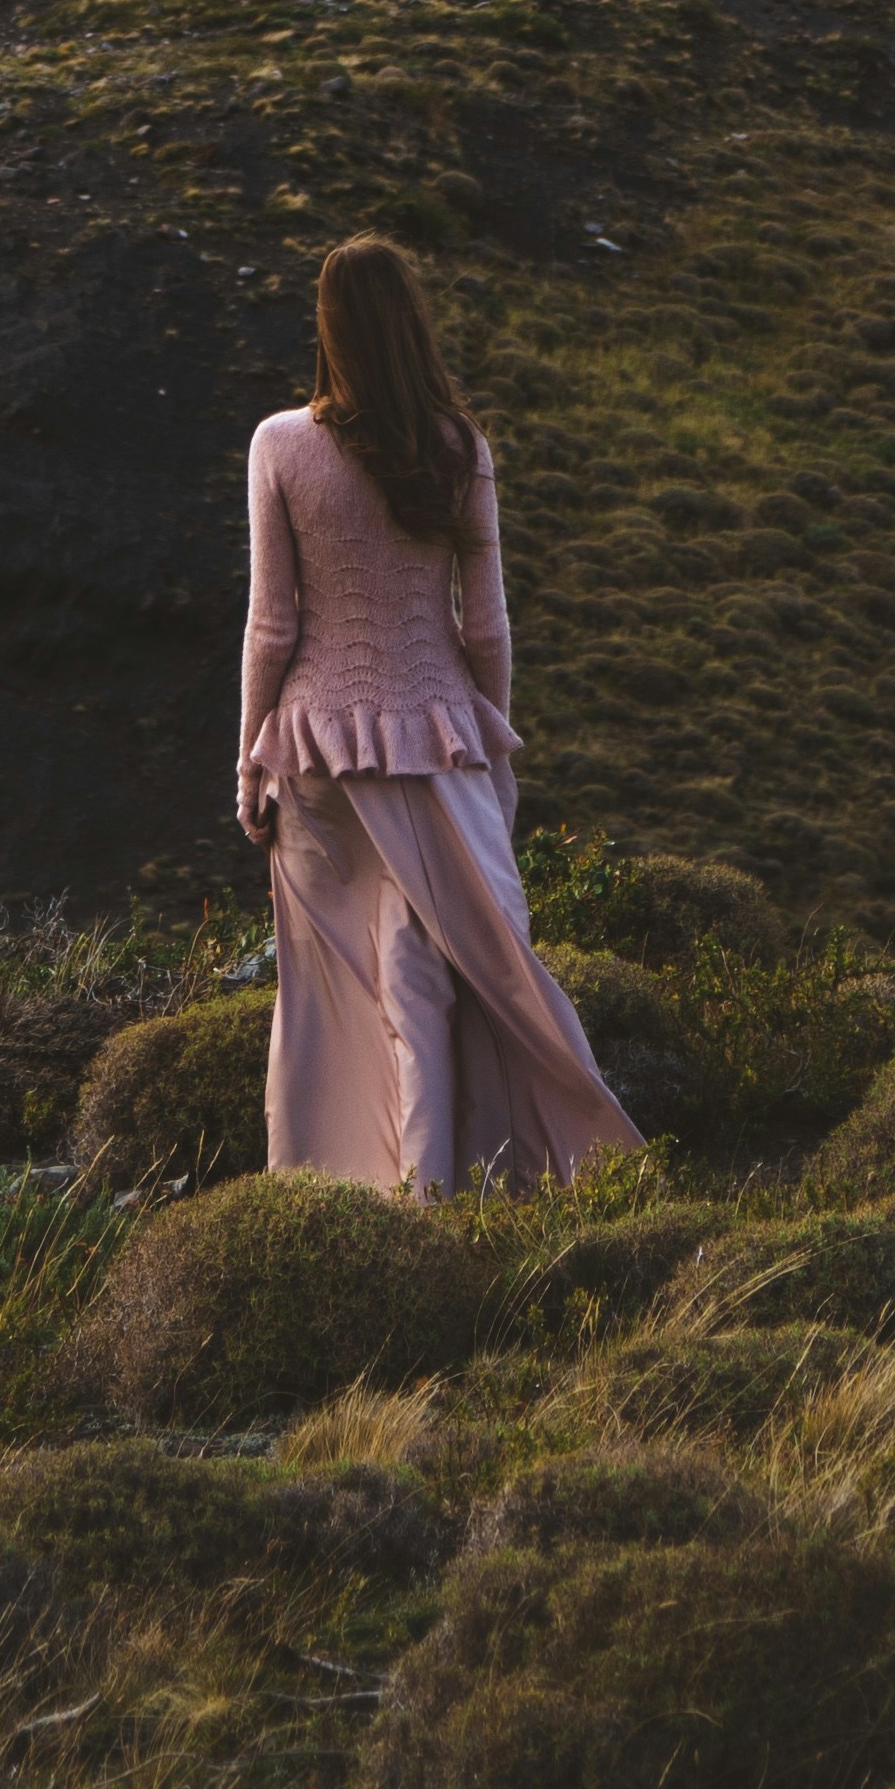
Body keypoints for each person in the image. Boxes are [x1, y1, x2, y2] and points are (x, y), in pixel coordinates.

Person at [237, 233, 632, 1195]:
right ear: (414, 325)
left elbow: (272, 624)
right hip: (439, 740)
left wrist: (249, 760)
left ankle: (332, 1196)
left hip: (318, 753)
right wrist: (489, 751)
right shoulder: (460, 448)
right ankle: (461, 1192)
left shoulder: (280, 444)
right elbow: (486, 628)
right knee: (441, 980)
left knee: (334, 997)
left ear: (328, 329)